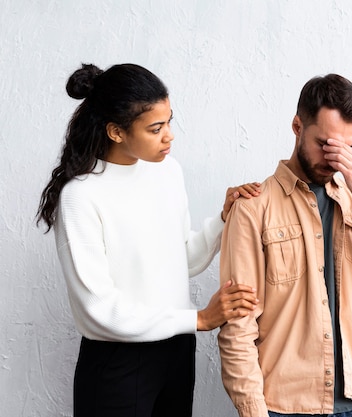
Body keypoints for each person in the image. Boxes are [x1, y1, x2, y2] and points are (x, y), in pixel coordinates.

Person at [36, 63, 260, 417]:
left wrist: (223, 218)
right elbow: (99, 309)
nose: (169, 136)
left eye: (170, 121)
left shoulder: (168, 171)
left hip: (176, 354)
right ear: (116, 131)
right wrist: (198, 319)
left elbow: (181, 260)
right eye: (156, 128)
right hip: (118, 363)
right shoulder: (81, 196)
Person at [218, 74, 352, 417]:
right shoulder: (253, 207)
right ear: (298, 126)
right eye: (325, 144)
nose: (336, 158)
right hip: (286, 406)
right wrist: (253, 411)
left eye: (350, 148)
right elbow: (238, 323)